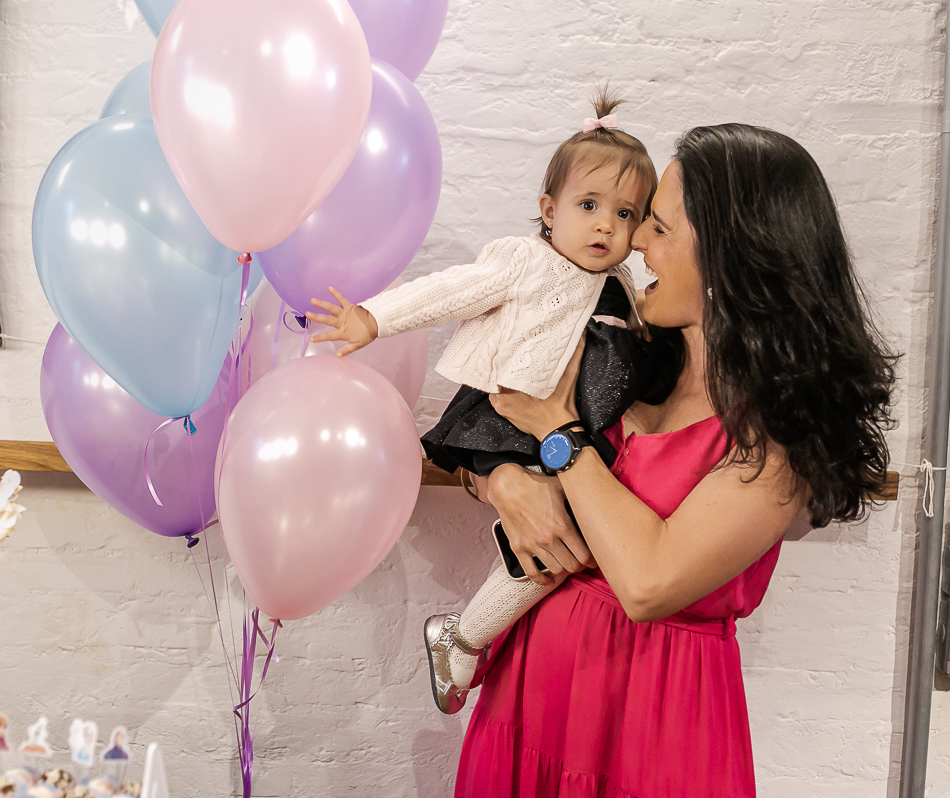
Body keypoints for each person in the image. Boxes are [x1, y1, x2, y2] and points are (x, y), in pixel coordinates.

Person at [451, 124, 895, 797]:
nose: (635, 242)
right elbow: (483, 420)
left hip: (652, 732)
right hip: (532, 704)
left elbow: (649, 581)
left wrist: (562, 438)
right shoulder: (631, 352)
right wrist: (505, 479)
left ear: (729, 253)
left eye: (657, 225)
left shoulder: (779, 435)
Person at [309, 89, 675, 714]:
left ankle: (461, 636)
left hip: (568, 435)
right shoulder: (525, 261)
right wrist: (374, 318)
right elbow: (456, 289)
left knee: (562, 546)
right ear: (548, 209)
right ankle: (463, 637)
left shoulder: (624, 288)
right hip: (510, 416)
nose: (605, 225)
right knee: (556, 547)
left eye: (625, 214)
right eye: (588, 205)